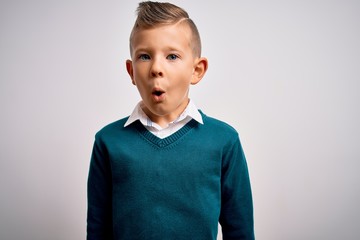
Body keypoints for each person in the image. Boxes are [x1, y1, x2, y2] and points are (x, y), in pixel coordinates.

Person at [87, 1, 254, 239]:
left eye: (172, 56)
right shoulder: (108, 142)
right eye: (144, 56)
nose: (156, 68)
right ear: (131, 71)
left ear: (197, 70)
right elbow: (97, 230)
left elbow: (240, 231)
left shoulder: (224, 141)